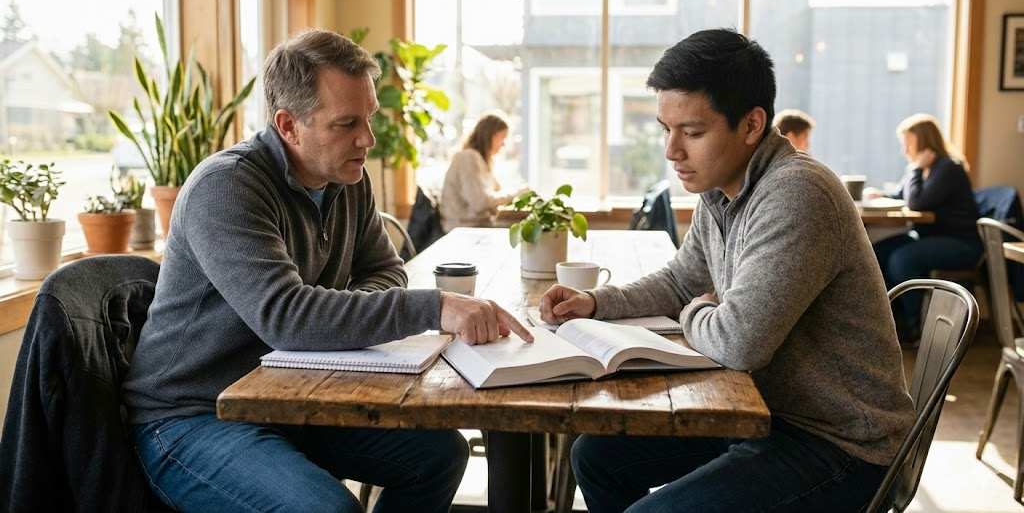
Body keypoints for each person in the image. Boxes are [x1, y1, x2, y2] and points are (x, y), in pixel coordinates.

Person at [122, 29, 532, 513]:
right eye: (346, 124)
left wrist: (333, 312)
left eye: (369, 118)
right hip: (192, 415)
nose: (368, 139)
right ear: (288, 125)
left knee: (439, 456)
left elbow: (386, 271)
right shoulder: (227, 188)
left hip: (285, 398)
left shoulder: (347, 177)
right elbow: (288, 318)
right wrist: (437, 307)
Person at [539, 28, 914, 512]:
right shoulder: (720, 189)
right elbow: (681, 280)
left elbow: (739, 342)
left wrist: (697, 312)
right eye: (665, 129)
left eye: (692, 132)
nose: (672, 151)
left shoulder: (797, 194)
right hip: (765, 415)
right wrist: (595, 303)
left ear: (752, 124)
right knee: (595, 455)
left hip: (841, 444)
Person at [866, 113, 982, 344]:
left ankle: (915, 328)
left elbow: (917, 202)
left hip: (960, 242)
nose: (905, 150)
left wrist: (916, 170)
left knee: (902, 259)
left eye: (908, 143)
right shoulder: (921, 168)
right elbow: (903, 195)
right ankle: (889, 323)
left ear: (924, 141)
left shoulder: (948, 167)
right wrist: (881, 194)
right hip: (929, 236)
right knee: (878, 253)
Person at [439, 111, 530, 232]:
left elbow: (498, 193)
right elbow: (480, 203)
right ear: (490, 135)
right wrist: (517, 193)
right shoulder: (469, 158)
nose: (503, 144)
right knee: (525, 230)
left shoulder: (483, 161)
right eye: (502, 137)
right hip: (464, 228)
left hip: (476, 224)